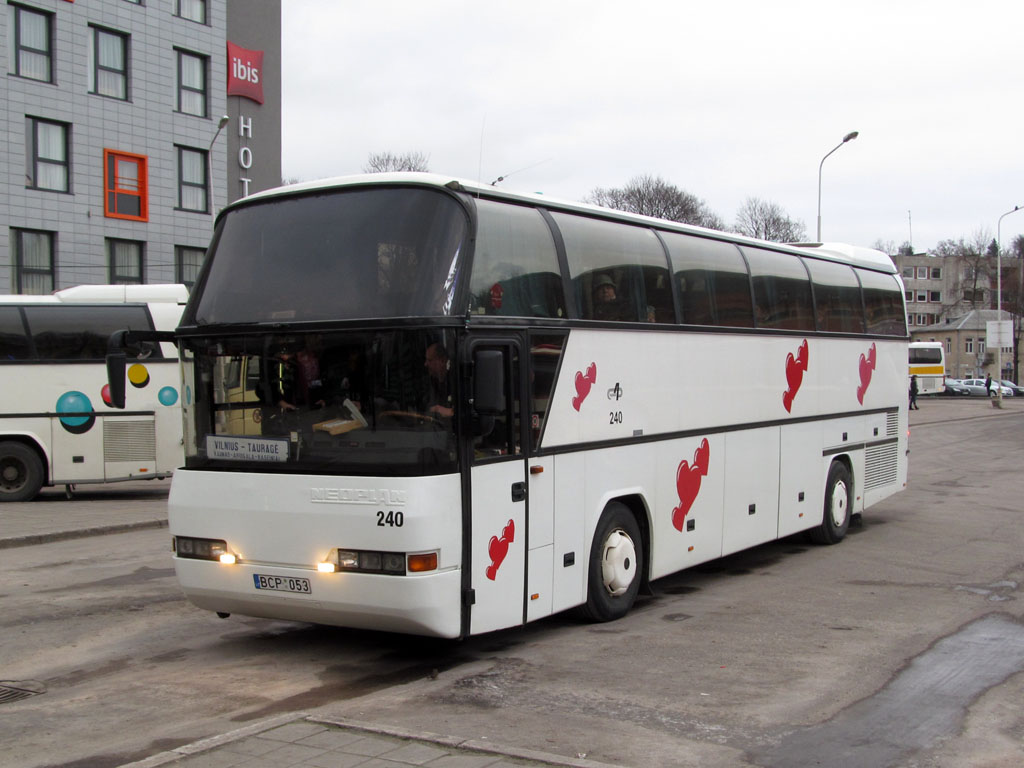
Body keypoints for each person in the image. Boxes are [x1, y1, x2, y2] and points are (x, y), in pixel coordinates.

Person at [423, 342, 453, 419]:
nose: (425, 364)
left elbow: (466, 411)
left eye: (429, 360)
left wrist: (449, 411)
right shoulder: (429, 383)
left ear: (442, 361)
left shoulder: (457, 383)